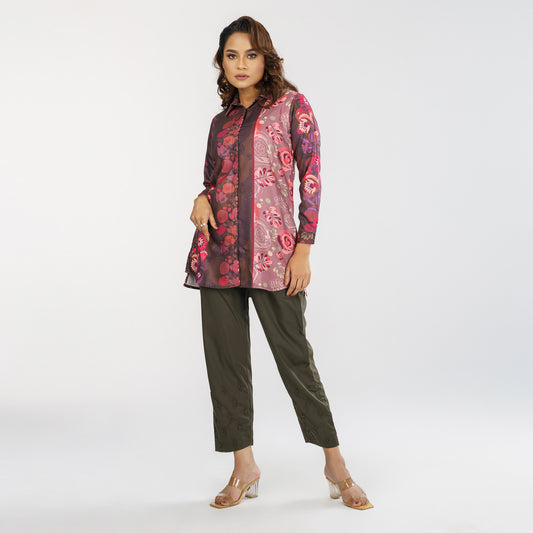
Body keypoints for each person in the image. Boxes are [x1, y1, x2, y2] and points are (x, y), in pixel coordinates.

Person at [184, 15, 373, 511]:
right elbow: (212, 180)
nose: (241, 64)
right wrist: (201, 199)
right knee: (226, 364)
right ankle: (243, 465)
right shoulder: (220, 122)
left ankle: (335, 464)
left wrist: (304, 247)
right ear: (221, 63)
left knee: (296, 360)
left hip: (275, 257)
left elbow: (311, 176)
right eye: (231, 55)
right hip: (218, 256)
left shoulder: (292, 106)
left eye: (250, 54)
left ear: (265, 58)